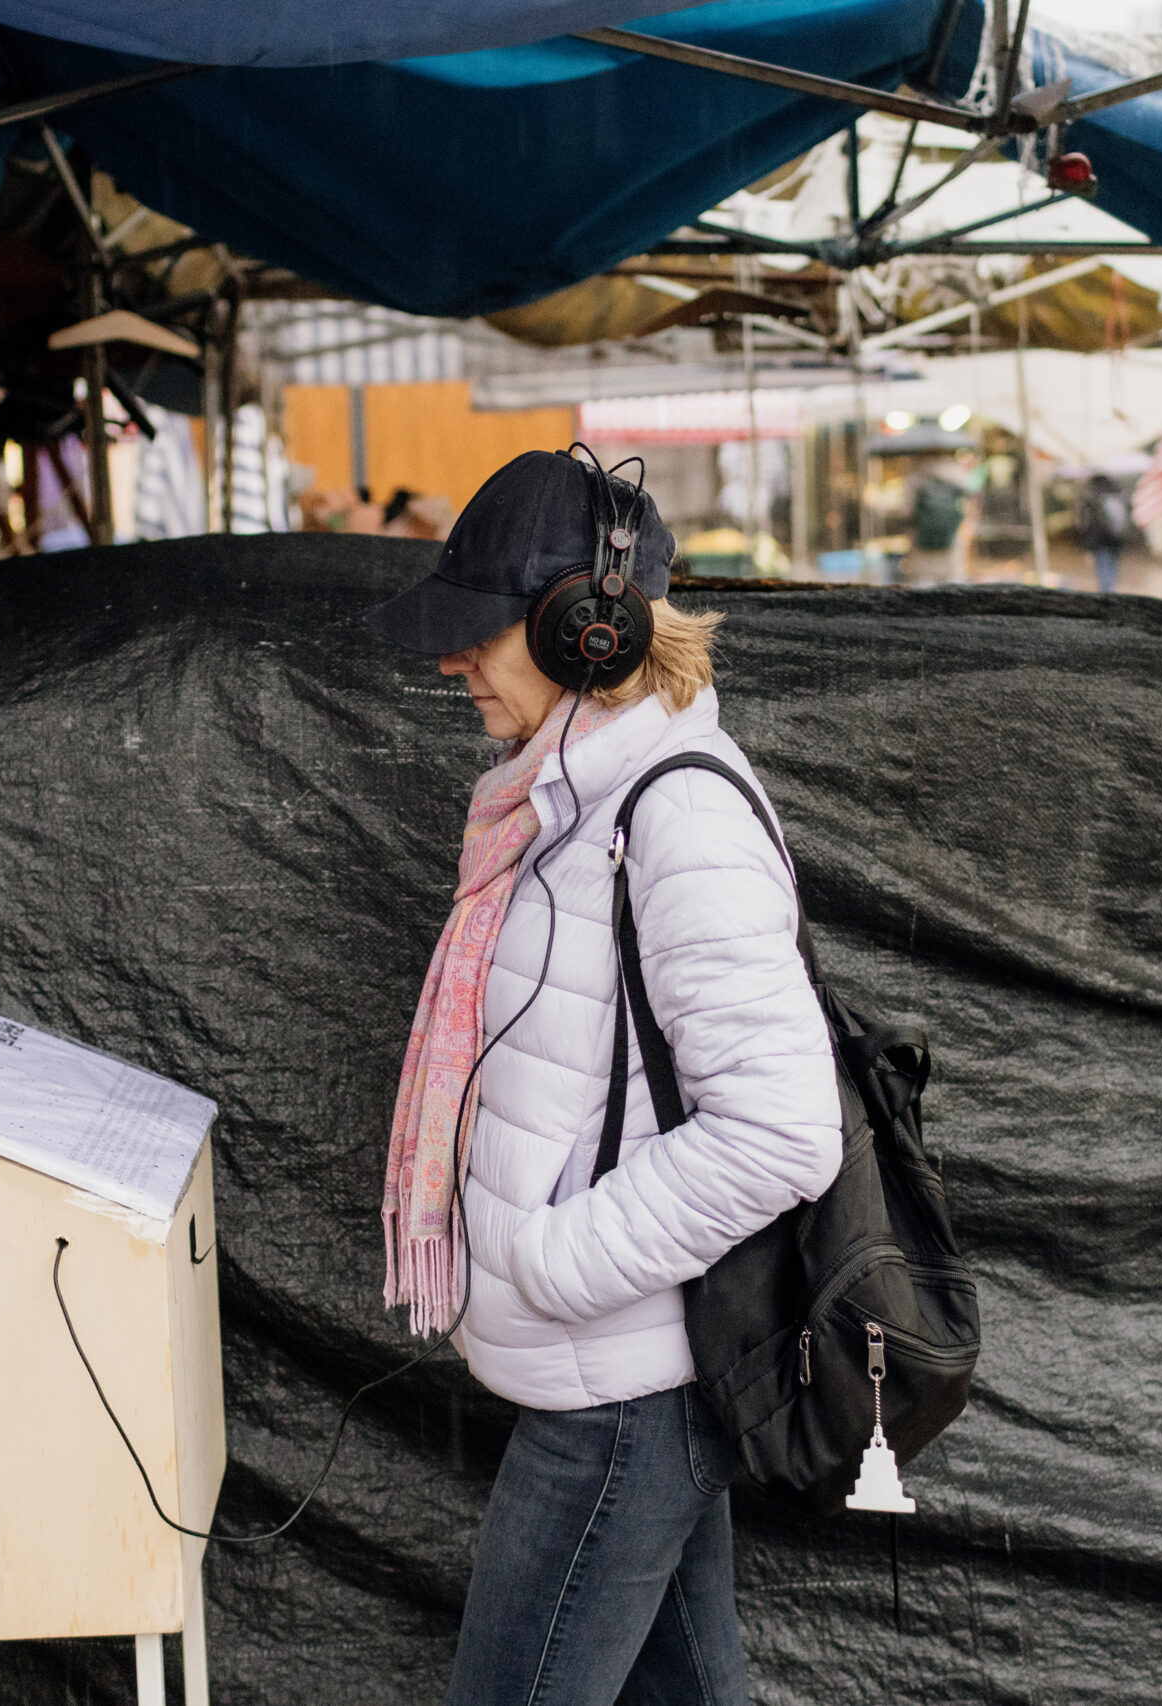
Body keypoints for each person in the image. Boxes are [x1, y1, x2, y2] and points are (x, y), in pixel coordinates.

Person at [364, 449, 841, 1706]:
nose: (451, 661)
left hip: (621, 1391)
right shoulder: (569, 803)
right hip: (626, 1379)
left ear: (587, 629)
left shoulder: (676, 818)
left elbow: (785, 1128)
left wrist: (558, 1263)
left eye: (476, 635)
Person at [1072, 470, 1133, 594]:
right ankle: (1111, 589)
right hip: (1116, 536)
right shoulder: (1117, 491)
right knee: (1113, 564)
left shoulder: (1091, 494)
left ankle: (1106, 592)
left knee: (1102, 564)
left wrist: (1084, 538)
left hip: (1099, 538)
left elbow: (1084, 520)